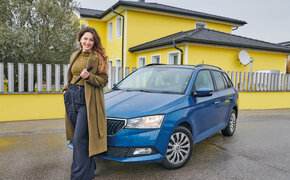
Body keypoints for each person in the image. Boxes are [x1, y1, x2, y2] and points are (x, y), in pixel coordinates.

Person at [62, 26, 108, 180]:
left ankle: (77, 176)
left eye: (91, 39)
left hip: (86, 100)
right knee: (77, 136)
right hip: (71, 97)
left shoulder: (98, 57)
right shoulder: (74, 55)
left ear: (94, 42)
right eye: (85, 38)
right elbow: (70, 75)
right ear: (80, 39)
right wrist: (65, 90)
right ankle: (90, 168)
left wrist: (89, 77)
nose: (87, 42)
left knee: (80, 138)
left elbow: (104, 81)